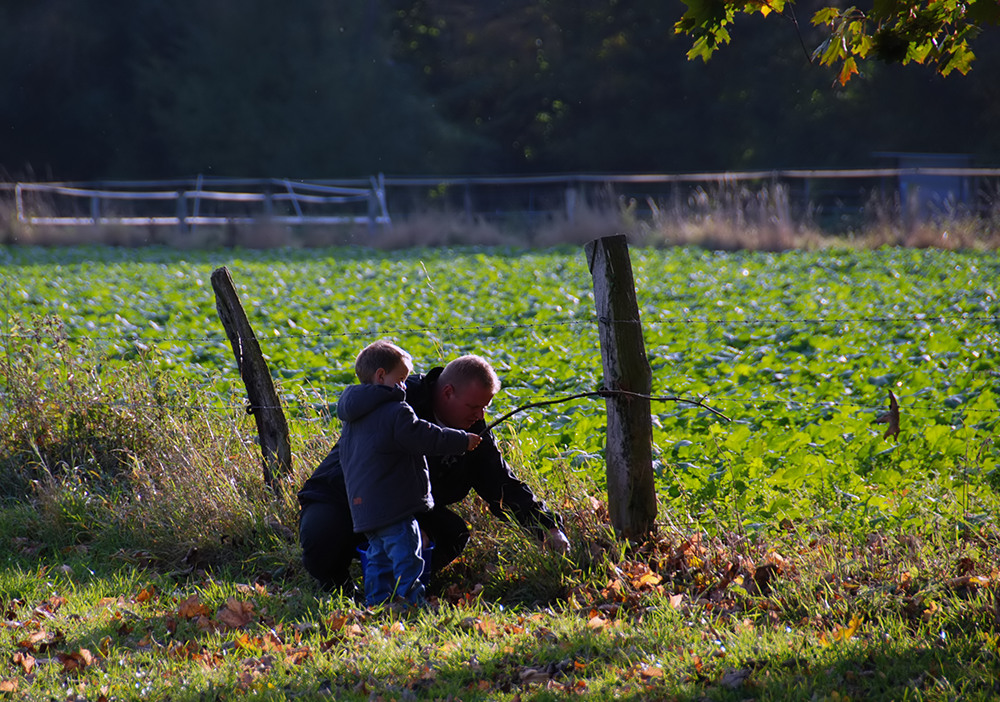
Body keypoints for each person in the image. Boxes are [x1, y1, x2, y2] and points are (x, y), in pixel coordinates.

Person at [298, 353, 571, 595]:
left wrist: (547, 526)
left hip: (405, 503)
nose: (480, 416)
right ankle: (340, 586)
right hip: (348, 494)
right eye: (473, 407)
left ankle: (397, 589)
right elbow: (365, 465)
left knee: (453, 533)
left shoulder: (472, 430)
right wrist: (412, 521)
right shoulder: (399, 404)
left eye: (485, 408)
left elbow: (500, 482)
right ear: (448, 392)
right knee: (322, 538)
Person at [337, 340, 481, 607]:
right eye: (401, 379)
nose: (405, 386)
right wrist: (462, 441)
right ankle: (413, 601)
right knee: (409, 554)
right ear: (381, 376)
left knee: (379, 556)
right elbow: (426, 437)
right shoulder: (395, 411)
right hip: (394, 503)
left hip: (364, 506)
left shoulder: (353, 416)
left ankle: (378, 602)